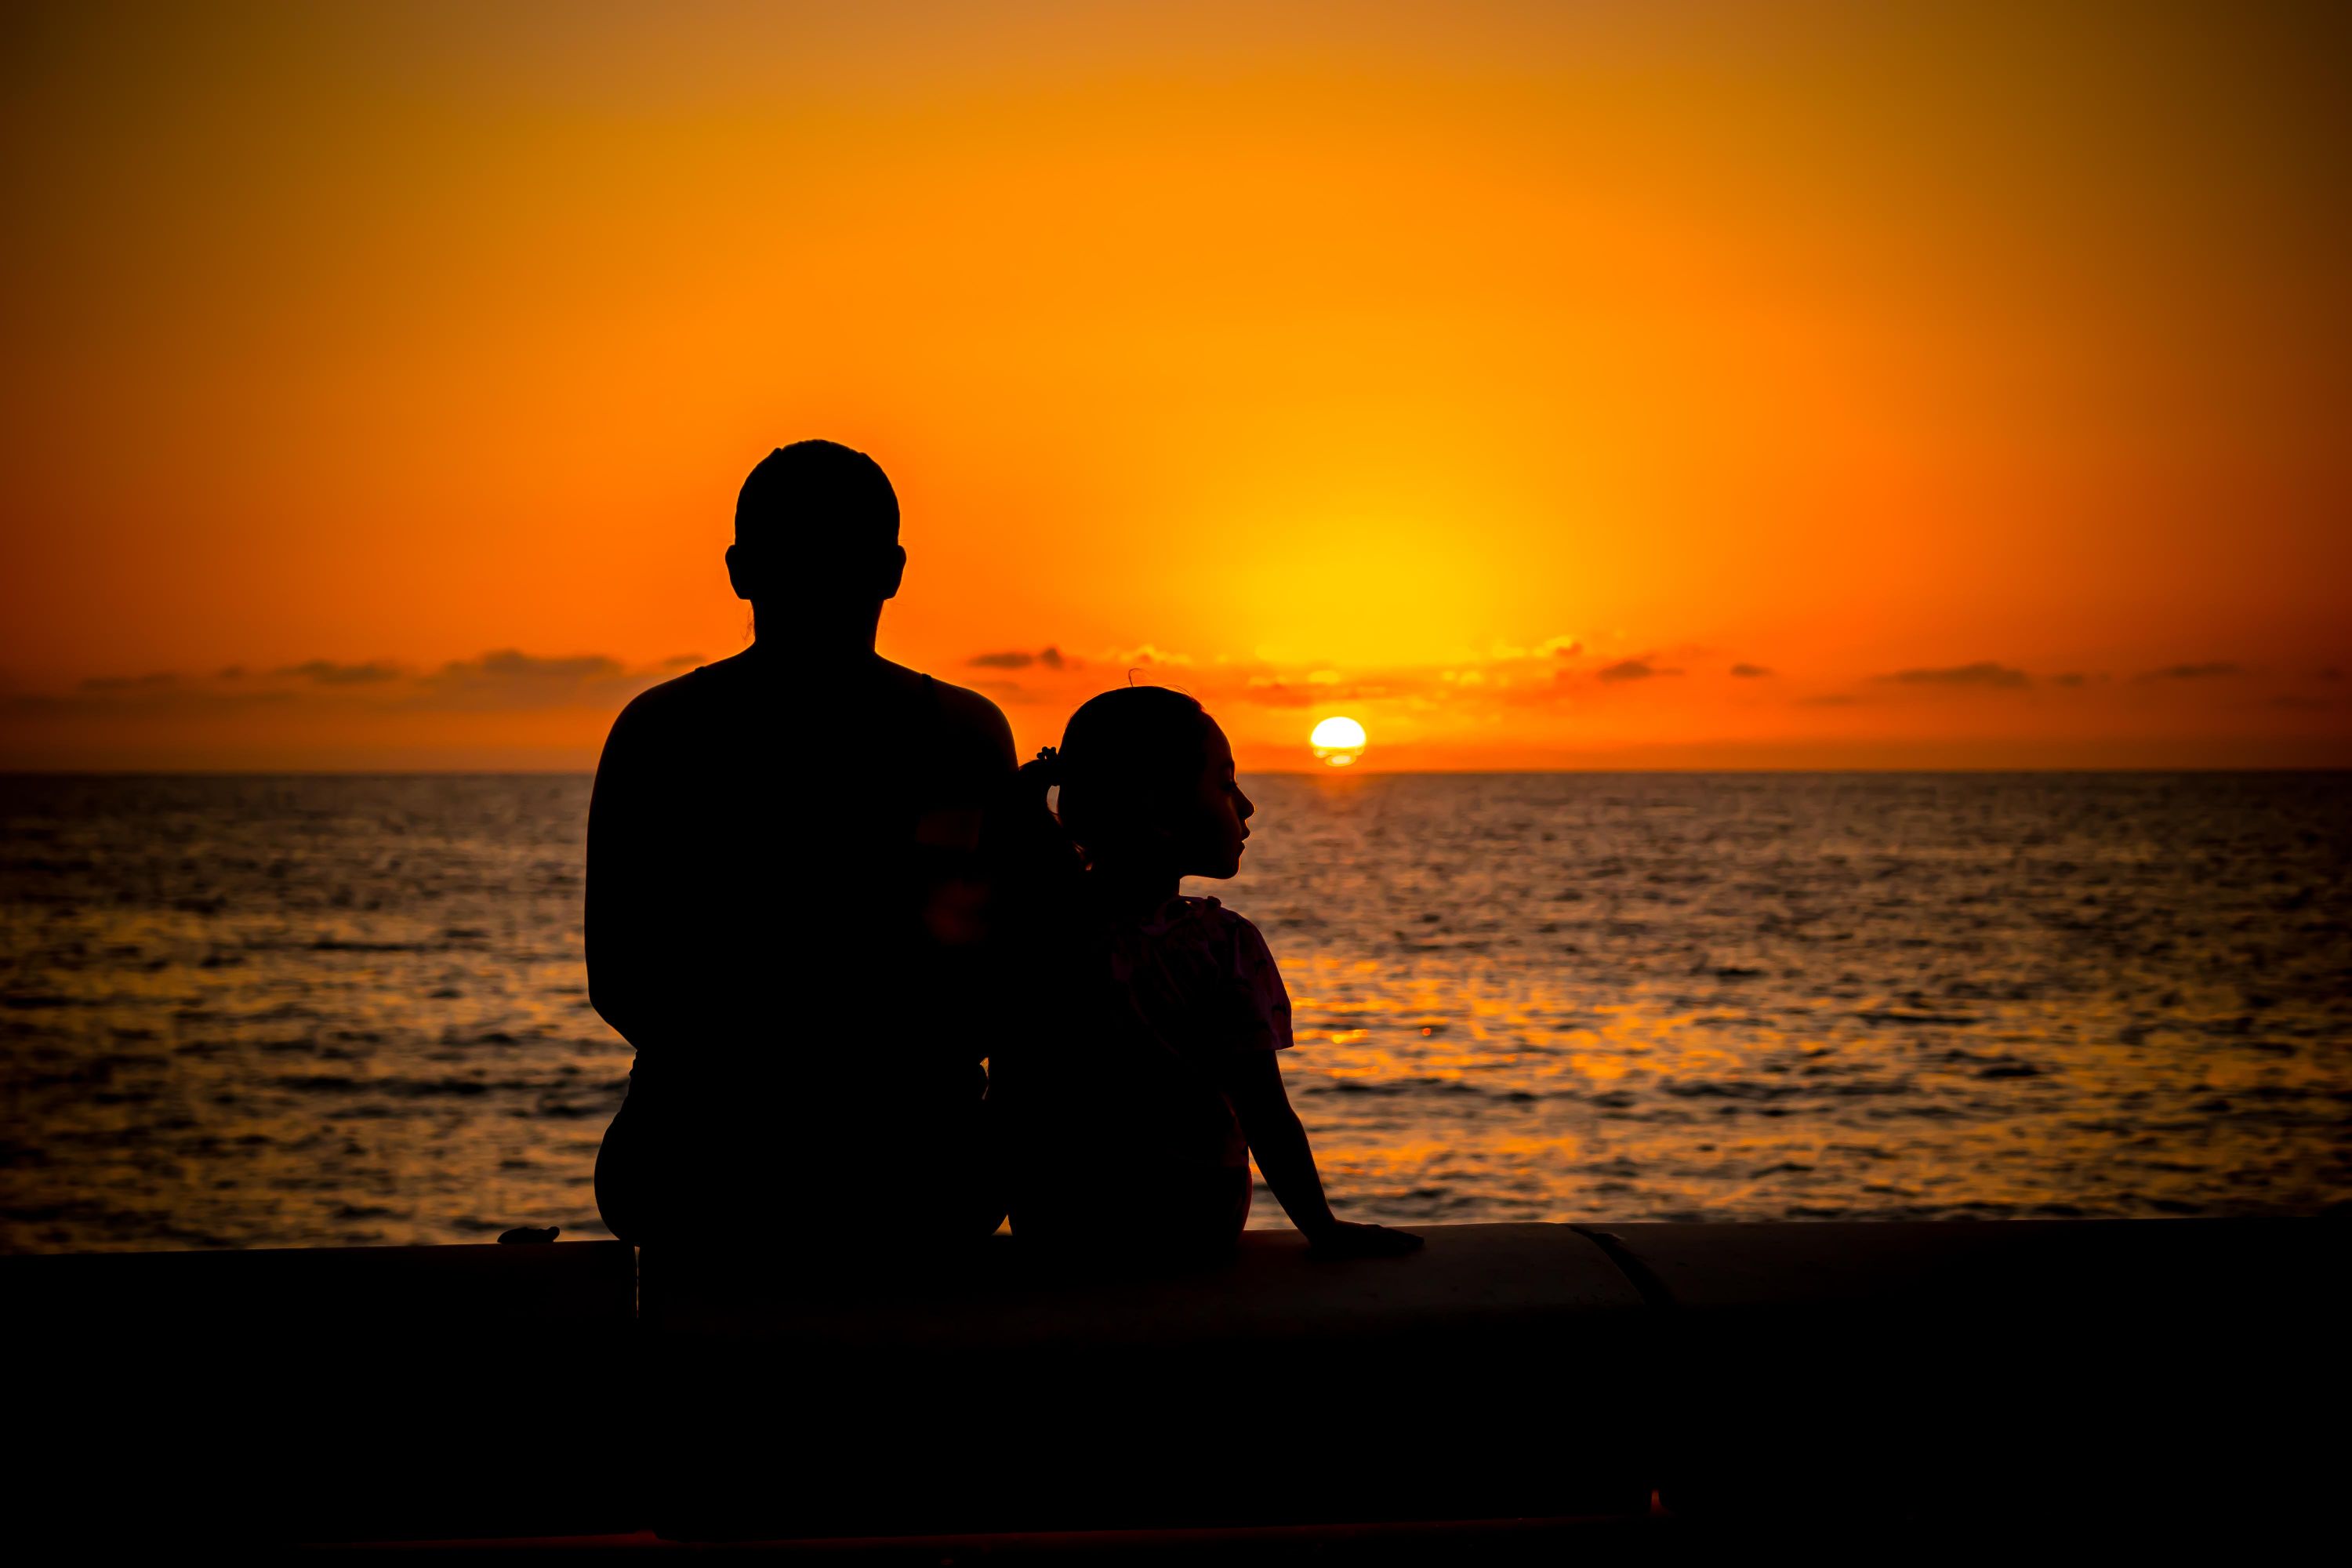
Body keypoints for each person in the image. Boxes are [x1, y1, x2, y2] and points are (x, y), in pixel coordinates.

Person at [588, 441, 1015, 1250]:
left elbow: (620, 977)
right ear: (892, 570)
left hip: (694, 1165)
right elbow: (998, 969)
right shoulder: (962, 729)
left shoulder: (660, 728)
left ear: (740, 568)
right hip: (923, 1166)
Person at [993, 686, 1420, 1261]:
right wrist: (1322, 1227)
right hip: (1187, 1227)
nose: (1246, 807)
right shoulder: (1217, 945)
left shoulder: (1034, 926)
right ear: (1158, 811)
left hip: (1058, 1224)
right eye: (1224, 784)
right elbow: (1264, 1111)